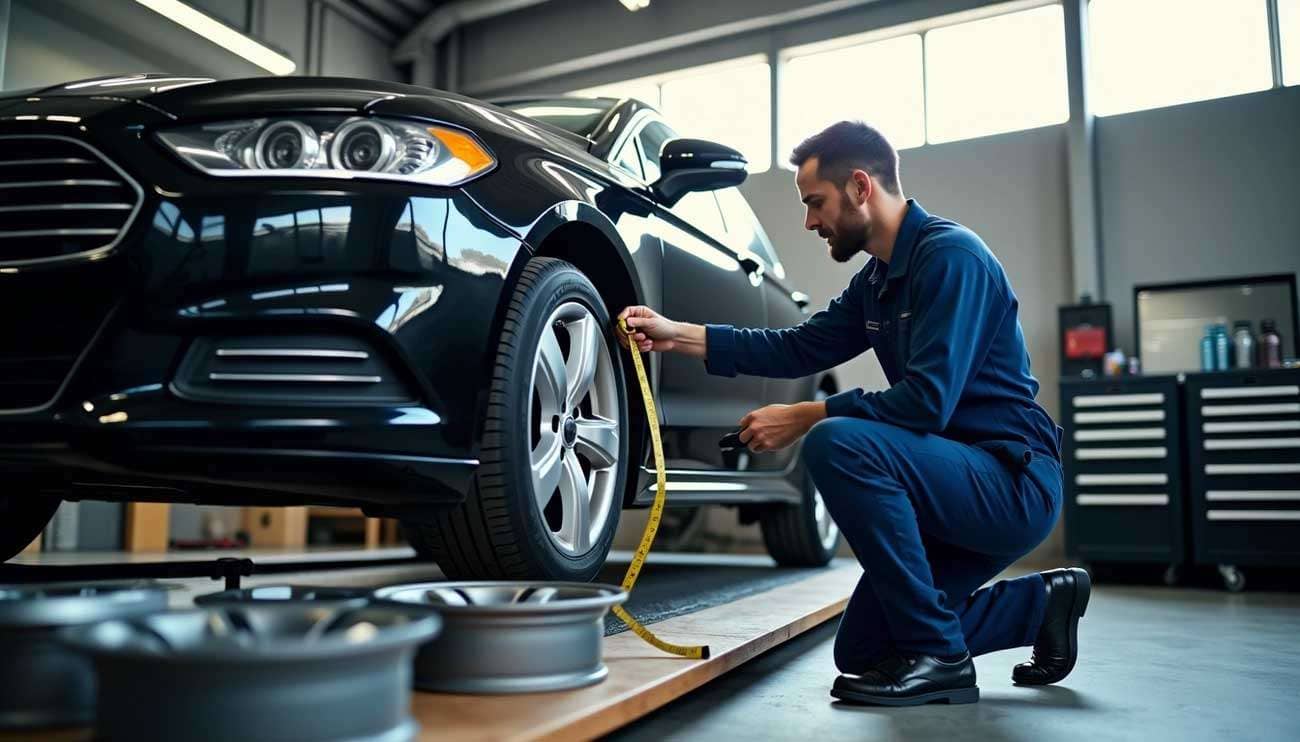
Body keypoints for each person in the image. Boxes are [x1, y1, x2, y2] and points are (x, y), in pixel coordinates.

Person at [616, 120, 1088, 707]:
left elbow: (926, 403)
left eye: (815, 203)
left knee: (838, 443)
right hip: (952, 483)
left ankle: (941, 660)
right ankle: (1040, 607)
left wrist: (807, 415)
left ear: (861, 187)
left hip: (1010, 482)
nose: (810, 221)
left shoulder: (952, 258)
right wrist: (677, 334)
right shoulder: (877, 282)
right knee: (864, 650)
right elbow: (795, 346)